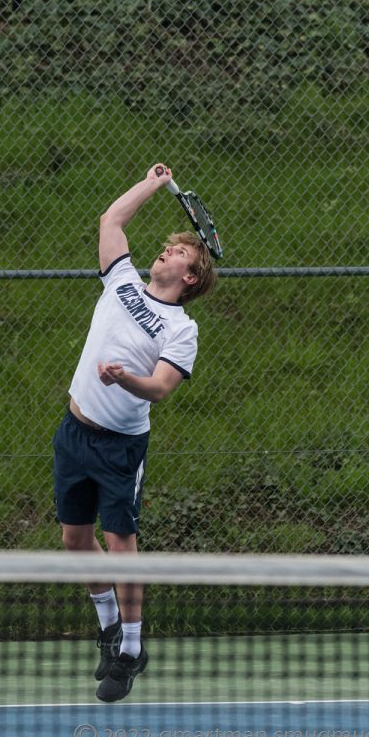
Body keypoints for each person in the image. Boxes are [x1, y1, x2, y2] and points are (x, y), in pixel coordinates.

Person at [52, 164, 217, 702]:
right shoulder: (121, 280)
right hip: (73, 431)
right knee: (75, 539)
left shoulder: (181, 329)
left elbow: (162, 388)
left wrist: (127, 378)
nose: (165, 253)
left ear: (190, 278)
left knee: (122, 543)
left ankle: (130, 649)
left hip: (121, 446)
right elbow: (111, 219)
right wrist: (151, 182)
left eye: (178, 254)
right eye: (168, 249)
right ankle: (107, 628)